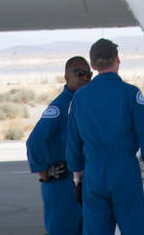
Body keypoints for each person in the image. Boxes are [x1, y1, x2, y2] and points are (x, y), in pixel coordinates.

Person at [67, 36, 144, 235]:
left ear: (92, 65)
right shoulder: (131, 94)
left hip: (94, 176)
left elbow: (74, 145)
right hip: (125, 174)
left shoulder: (79, 98)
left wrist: (78, 179)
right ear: (117, 59)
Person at [26, 55, 91, 235]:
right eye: (79, 73)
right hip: (62, 185)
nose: (85, 78)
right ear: (66, 77)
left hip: (84, 184)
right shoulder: (59, 107)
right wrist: (44, 173)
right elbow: (35, 141)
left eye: (88, 74)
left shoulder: (85, 103)